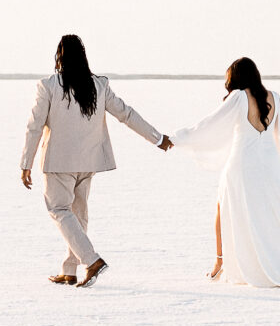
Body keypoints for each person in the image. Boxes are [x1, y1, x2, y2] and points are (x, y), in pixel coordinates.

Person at [171, 57, 280, 289]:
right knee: (273, 214)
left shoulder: (238, 97)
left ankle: (221, 263)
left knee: (224, 208)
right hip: (269, 165)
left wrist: (178, 139)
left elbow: (209, 124)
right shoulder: (275, 97)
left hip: (242, 165)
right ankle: (276, 261)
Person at [19, 33, 172, 288]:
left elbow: (34, 126)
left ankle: (91, 261)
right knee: (77, 214)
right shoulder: (98, 86)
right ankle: (69, 270)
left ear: (59, 56)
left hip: (58, 162)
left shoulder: (49, 86)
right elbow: (126, 114)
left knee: (60, 210)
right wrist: (157, 138)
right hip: (88, 162)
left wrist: (26, 162)